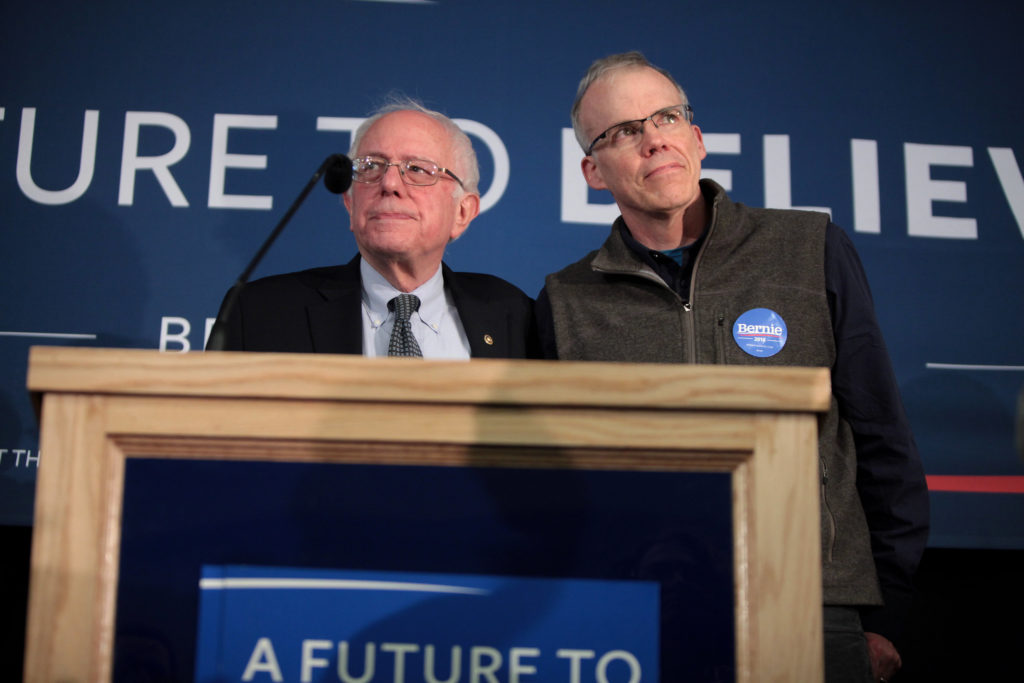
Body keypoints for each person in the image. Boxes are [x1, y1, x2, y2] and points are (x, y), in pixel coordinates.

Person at [538, 52, 929, 683]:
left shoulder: (810, 250)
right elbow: (560, 487)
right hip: (639, 614)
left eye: (666, 117)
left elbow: (884, 439)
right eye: (625, 131)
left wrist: (887, 612)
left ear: (696, 138)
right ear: (592, 170)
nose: (654, 139)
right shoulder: (566, 299)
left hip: (815, 608)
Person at [210, 98, 538, 359]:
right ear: (351, 205)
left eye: (418, 169)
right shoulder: (260, 313)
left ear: (463, 212)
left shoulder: (515, 317)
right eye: (371, 167)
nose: (390, 183)